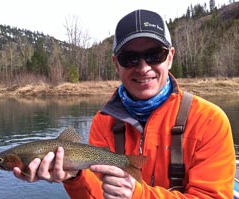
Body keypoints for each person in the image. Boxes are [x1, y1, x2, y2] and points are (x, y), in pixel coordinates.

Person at [13, 9, 236, 198]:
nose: (143, 67)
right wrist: (74, 177)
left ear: (170, 57)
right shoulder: (104, 122)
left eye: (155, 54)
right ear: (116, 64)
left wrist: (138, 194)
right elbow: (97, 194)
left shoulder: (209, 121)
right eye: (129, 57)